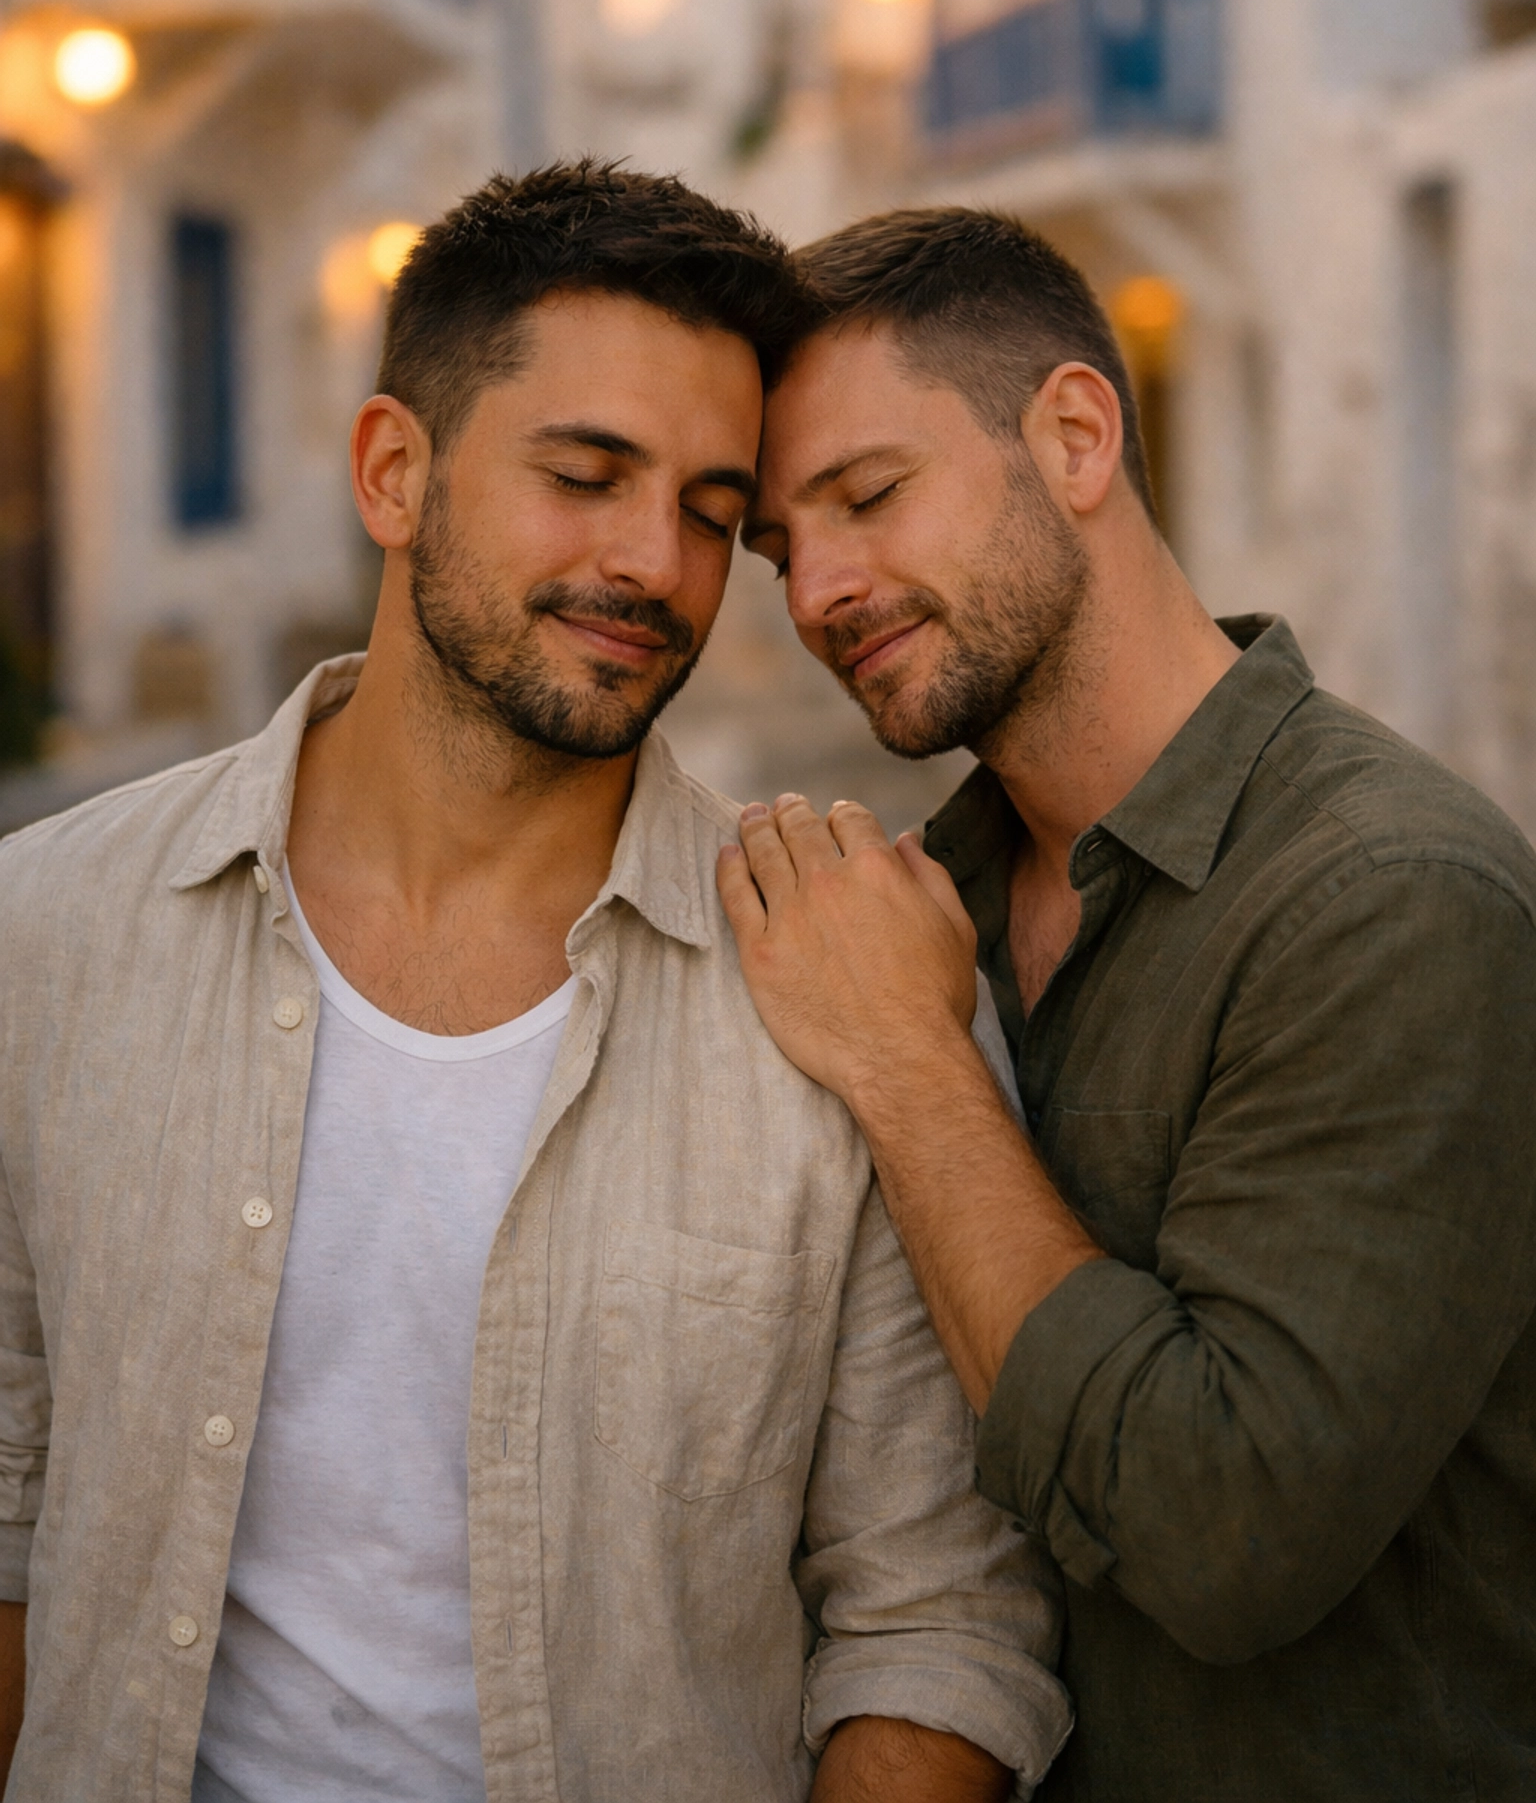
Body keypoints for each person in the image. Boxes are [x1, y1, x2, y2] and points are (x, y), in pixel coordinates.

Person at [0, 167, 1072, 1803]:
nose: (653, 563)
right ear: (394, 472)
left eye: (717, 517)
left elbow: (938, 1617)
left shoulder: (837, 983)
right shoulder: (52, 935)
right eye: (585, 476)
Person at [719, 204, 1536, 1802]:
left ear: (1077, 437)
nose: (818, 589)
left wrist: (908, 1060)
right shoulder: (915, 906)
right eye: (774, 548)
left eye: (868, 497)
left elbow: (1224, 1529)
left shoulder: (1387, 897)